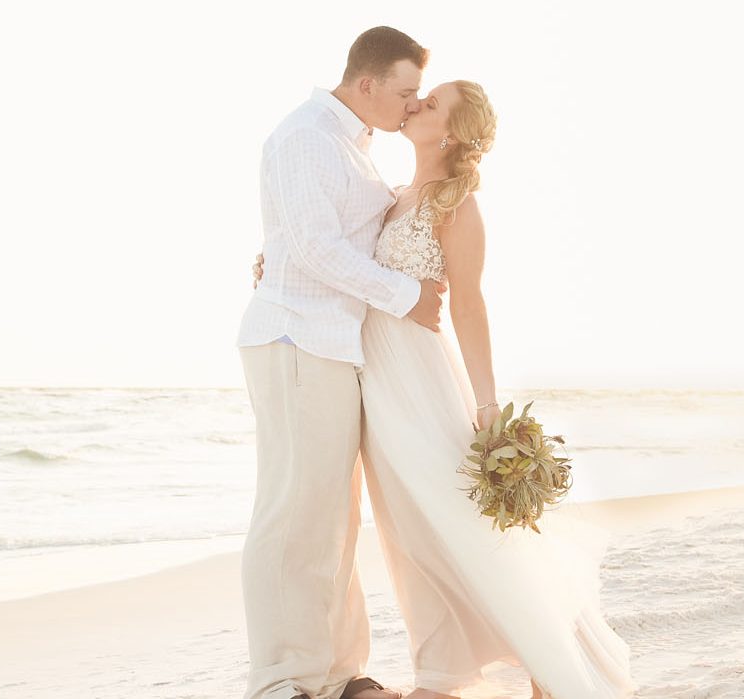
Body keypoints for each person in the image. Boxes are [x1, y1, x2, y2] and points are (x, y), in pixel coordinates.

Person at [250, 78, 639, 698]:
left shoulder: (456, 204)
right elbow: (326, 242)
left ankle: (546, 660)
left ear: (452, 132)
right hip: (372, 380)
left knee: (455, 522)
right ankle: (441, 669)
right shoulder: (391, 195)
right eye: (418, 96)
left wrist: (486, 405)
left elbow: (470, 307)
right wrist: (276, 261)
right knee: (410, 529)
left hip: (421, 381)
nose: (415, 105)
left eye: (429, 104)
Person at [235, 25, 445, 699]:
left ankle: (336, 672)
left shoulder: (349, 145)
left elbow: (312, 240)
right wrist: (408, 296)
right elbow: (318, 248)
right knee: (294, 515)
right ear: (366, 84)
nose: (412, 106)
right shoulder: (306, 138)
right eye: (406, 92)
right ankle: (281, 679)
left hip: (331, 344)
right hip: (298, 339)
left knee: (333, 515)